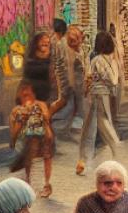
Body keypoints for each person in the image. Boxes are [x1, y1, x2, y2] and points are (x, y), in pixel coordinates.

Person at [78, 31, 122, 176]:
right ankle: (85, 161)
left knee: (94, 126)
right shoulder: (113, 61)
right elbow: (114, 81)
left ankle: (114, 150)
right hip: (107, 95)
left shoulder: (96, 60)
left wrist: (86, 90)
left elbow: (88, 78)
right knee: (100, 124)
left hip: (96, 96)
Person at [8, 82, 54, 198]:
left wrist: (43, 115)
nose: (25, 94)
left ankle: (47, 185)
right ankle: (28, 182)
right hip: (29, 137)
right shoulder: (17, 110)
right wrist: (13, 140)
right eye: (23, 93)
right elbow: (15, 127)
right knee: (28, 160)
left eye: (28, 91)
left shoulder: (40, 104)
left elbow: (47, 116)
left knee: (47, 157)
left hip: (43, 135)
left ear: (33, 93)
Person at [53, 26, 88, 130]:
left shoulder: (80, 49)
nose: (75, 43)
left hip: (79, 82)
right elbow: (60, 66)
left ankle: (73, 126)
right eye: (72, 40)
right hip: (68, 81)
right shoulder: (62, 46)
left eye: (77, 40)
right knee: (66, 104)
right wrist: (62, 83)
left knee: (78, 105)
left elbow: (83, 65)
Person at [22, 32, 55, 104]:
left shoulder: (52, 58)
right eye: (42, 41)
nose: (45, 43)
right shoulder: (30, 58)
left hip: (47, 94)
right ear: (36, 43)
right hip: (32, 94)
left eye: (48, 42)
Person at [51, 19, 69, 101]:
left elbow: (60, 59)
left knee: (61, 93)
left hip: (61, 71)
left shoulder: (61, 43)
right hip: (61, 70)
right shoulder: (60, 41)